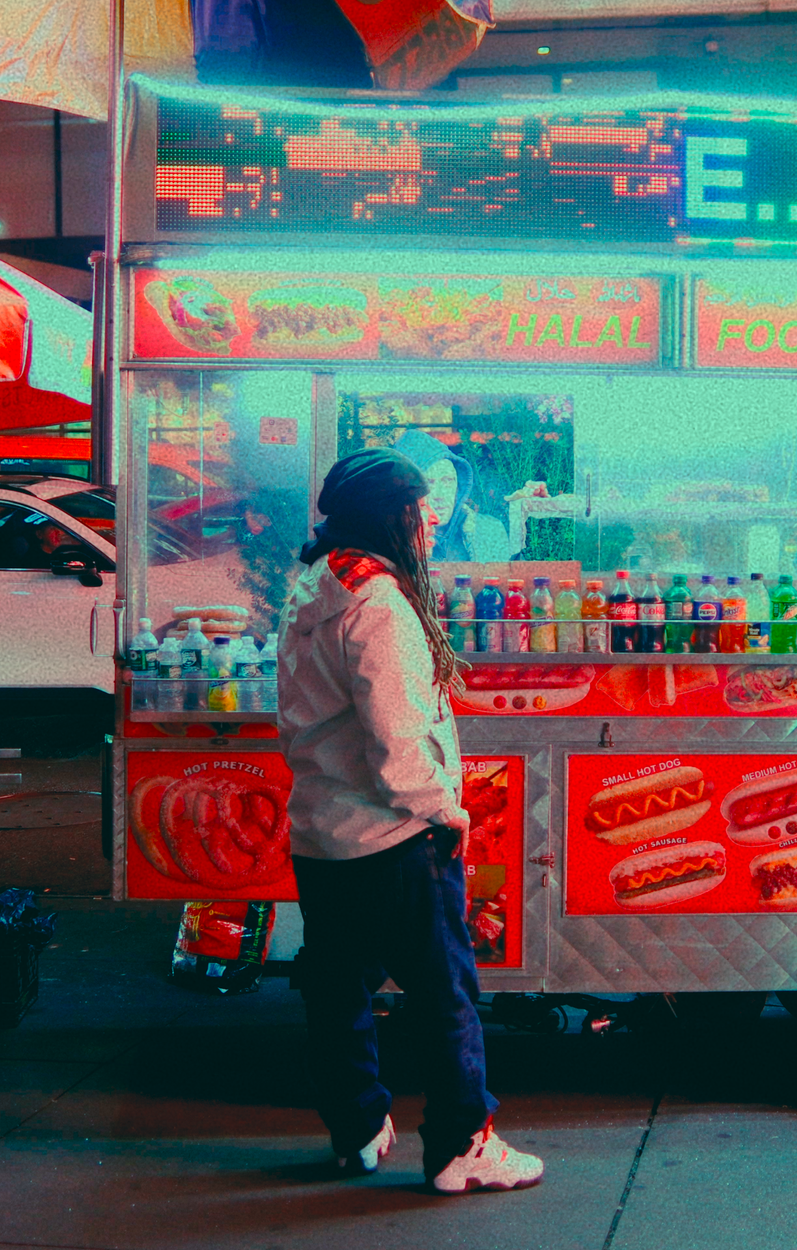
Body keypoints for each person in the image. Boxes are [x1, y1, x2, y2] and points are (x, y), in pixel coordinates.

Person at [275, 448, 543, 1195]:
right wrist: (444, 809)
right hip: (392, 839)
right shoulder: (381, 605)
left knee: (337, 990)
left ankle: (357, 1131)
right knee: (443, 993)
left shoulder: (313, 583)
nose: (430, 522)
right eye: (419, 510)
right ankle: (462, 1144)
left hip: (323, 834)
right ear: (389, 518)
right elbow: (398, 739)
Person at [391, 429, 535, 564]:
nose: (440, 495)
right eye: (429, 483)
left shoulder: (490, 530)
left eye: (447, 481)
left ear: (458, 486)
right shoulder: (392, 541)